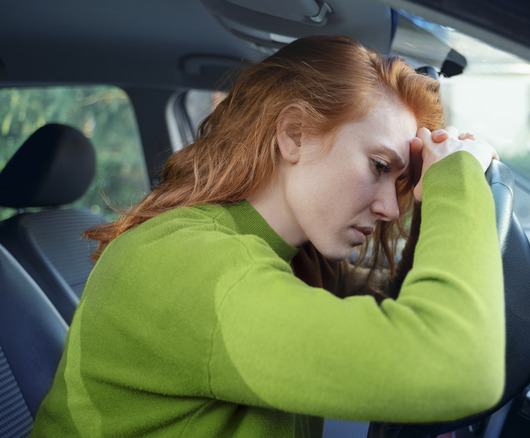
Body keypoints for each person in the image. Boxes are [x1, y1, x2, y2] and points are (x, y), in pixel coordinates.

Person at [31, 35, 505, 437]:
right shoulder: (189, 261)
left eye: (399, 183)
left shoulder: (292, 255)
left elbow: (392, 303)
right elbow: (456, 367)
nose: (387, 208)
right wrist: (455, 181)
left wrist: (430, 205)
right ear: (294, 133)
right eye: (380, 167)